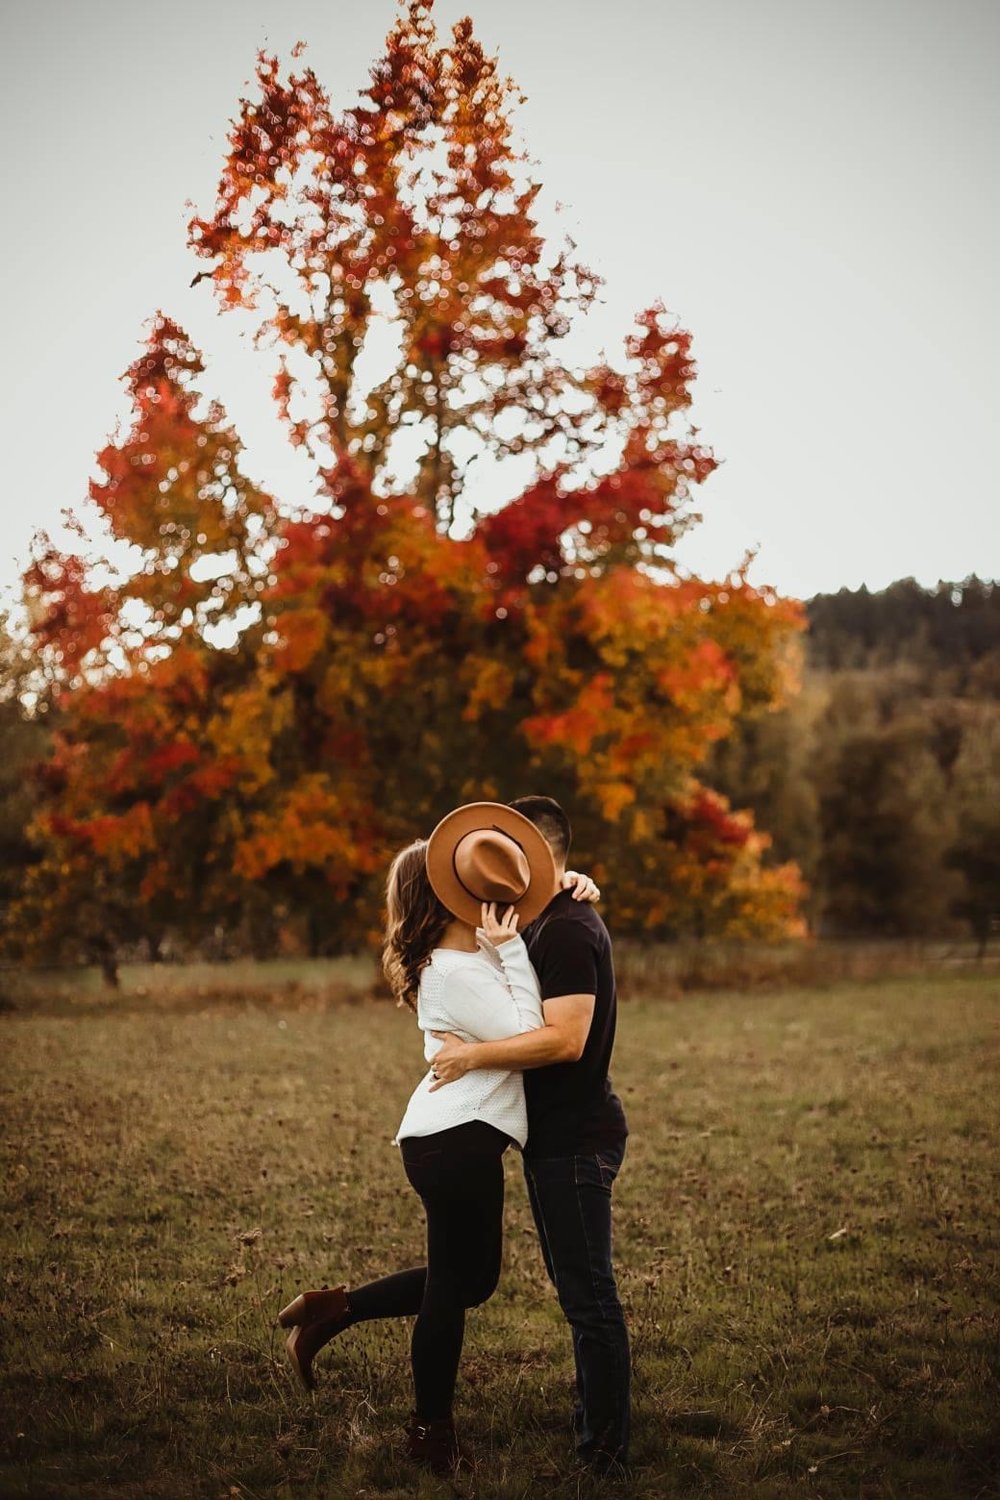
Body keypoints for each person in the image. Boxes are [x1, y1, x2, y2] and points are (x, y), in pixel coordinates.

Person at [276, 803, 598, 1477]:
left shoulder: (465, 953)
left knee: (474, 1279)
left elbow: (535, 918)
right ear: (443, 891)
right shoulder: (457, 969)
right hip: (456, 1139)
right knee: (454, 1286)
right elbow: (526, 1026)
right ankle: (430, 1435)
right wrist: (510, 951)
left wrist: (574, 883)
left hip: (455, 1137)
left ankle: (333, 1310)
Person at [429, 794, 631, 1475]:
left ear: (539, 861)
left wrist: (469, 1058)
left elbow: (567, 1040)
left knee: (589, 1297)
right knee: (578, 1291)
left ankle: (604, 1456)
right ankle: (596, 1429)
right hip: (552, 1136)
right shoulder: (535, 923)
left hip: (576, 1137)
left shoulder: (570, 929)